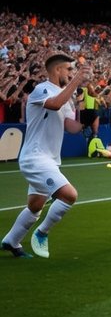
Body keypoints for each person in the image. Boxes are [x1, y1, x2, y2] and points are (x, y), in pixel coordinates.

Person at [2, 53, 88, 258]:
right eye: (68, 69)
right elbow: (55, 104)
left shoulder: (64, 95)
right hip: (35, 157)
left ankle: (10, 242)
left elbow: (72, 127)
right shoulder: (43, 89)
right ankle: (42, 233)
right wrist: (76, 81)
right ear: (57, 70)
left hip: (49, 159)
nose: (70, 73)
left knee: (35, 206)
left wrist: (85, 116)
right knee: (69, 195)